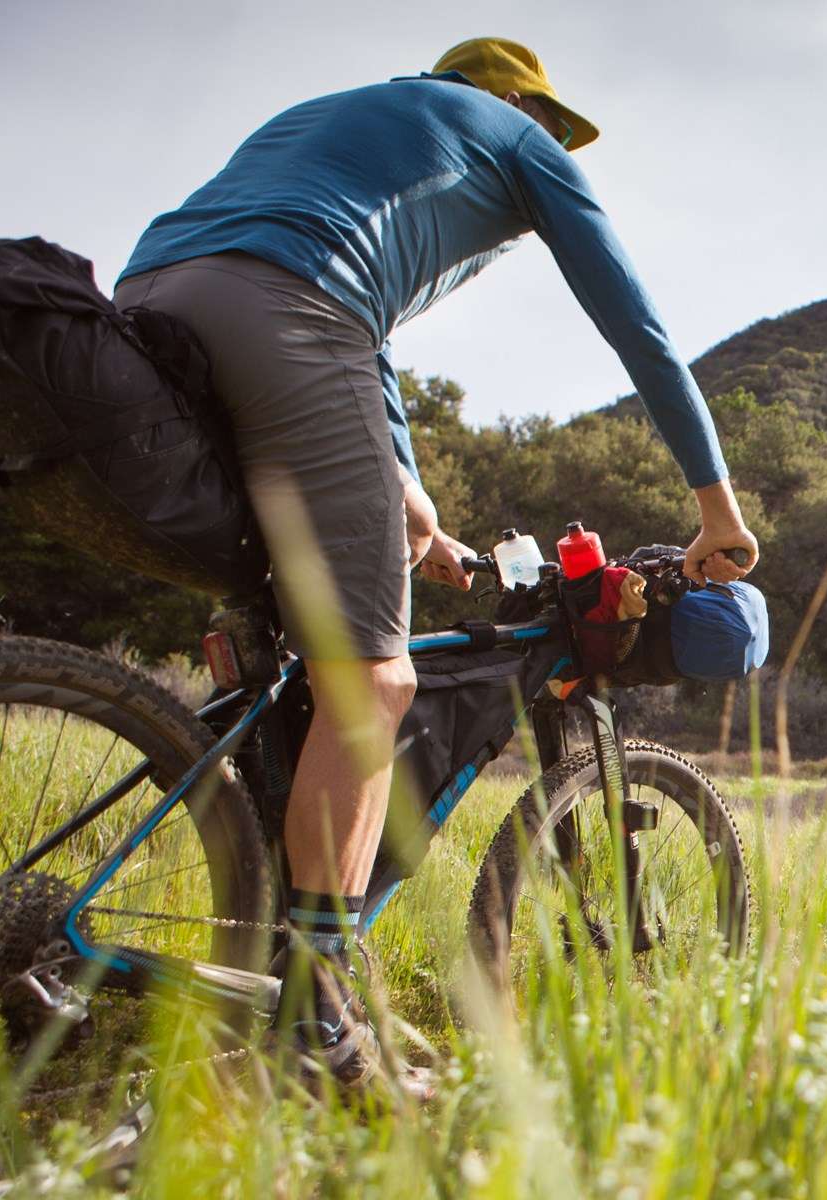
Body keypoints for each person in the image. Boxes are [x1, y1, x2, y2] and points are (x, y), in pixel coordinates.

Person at [113, 38, 758, 1091]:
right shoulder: (512, 134)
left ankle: (246, 958)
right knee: (376, 680)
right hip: (288, 306)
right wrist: (717, 506)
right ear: (510, 99)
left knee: (291, 656)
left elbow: (367, 345)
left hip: (151, 302)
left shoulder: (348, 118)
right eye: (550, 122)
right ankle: (316, 1020)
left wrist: (415, 504)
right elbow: (638, 329)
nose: (553, 143)